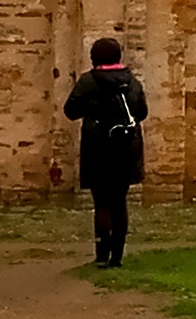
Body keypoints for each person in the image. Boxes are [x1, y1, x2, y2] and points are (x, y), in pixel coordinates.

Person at [61, 35, 149, 266]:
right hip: (127, 147)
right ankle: (117, 256)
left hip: (97, 146)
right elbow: (142, 112)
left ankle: (102, 255)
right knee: (119, 201)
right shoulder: (132, 81)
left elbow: (70, 111)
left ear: (95, 58)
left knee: (101, 202)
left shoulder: (88, 82)